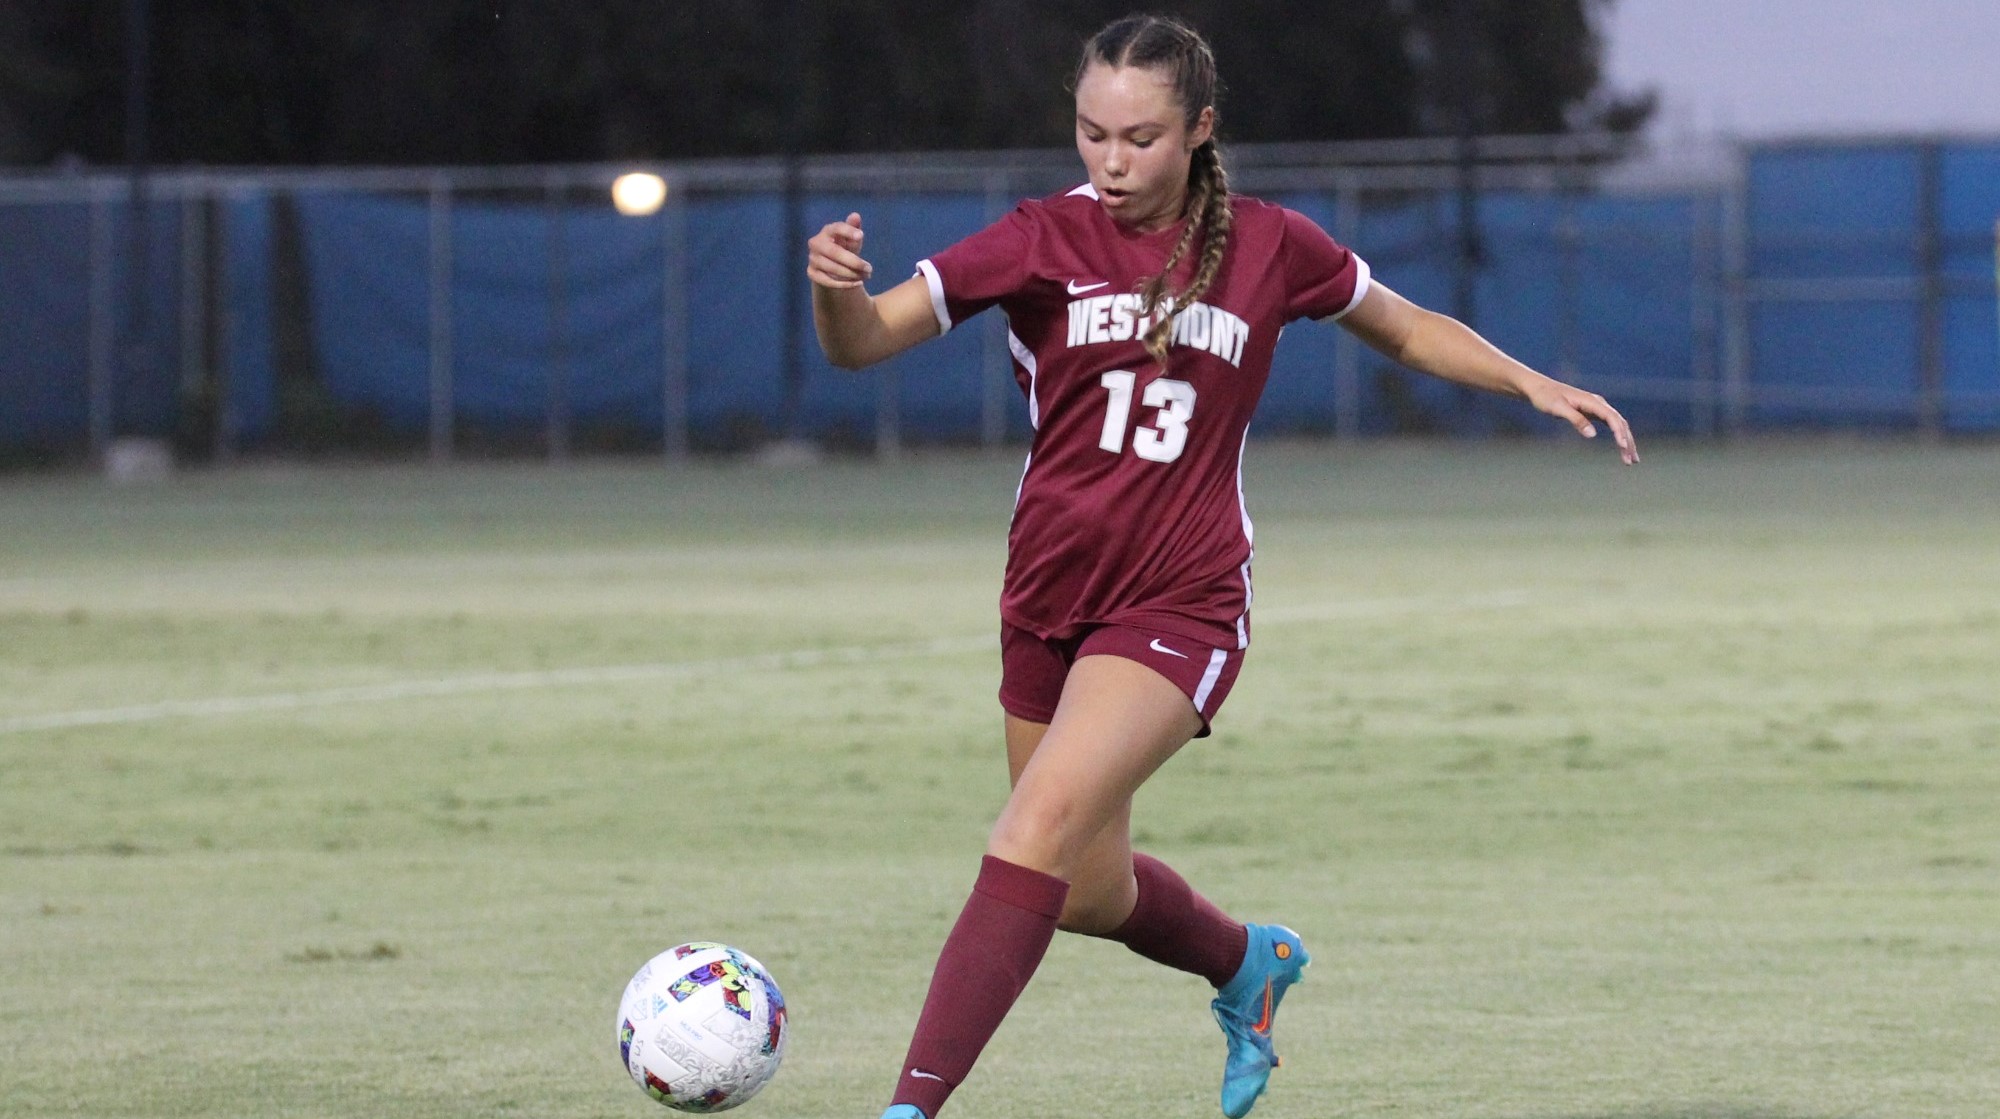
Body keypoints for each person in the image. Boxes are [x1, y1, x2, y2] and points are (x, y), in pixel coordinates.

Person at [806, 14, 1639, 1119]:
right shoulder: (1035, 238)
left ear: (1199, 128)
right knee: (1082, 889)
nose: (1110, 161)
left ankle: (907, 1108)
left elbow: (1401, 326)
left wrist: (1528, 380)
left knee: (1028, 835)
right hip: (1044, 599)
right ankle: (1248, 963)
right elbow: (862, 341)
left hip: (1181, 601)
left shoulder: (1270, 245)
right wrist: (834, 289)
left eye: (1139, 137)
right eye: (1091, 133)